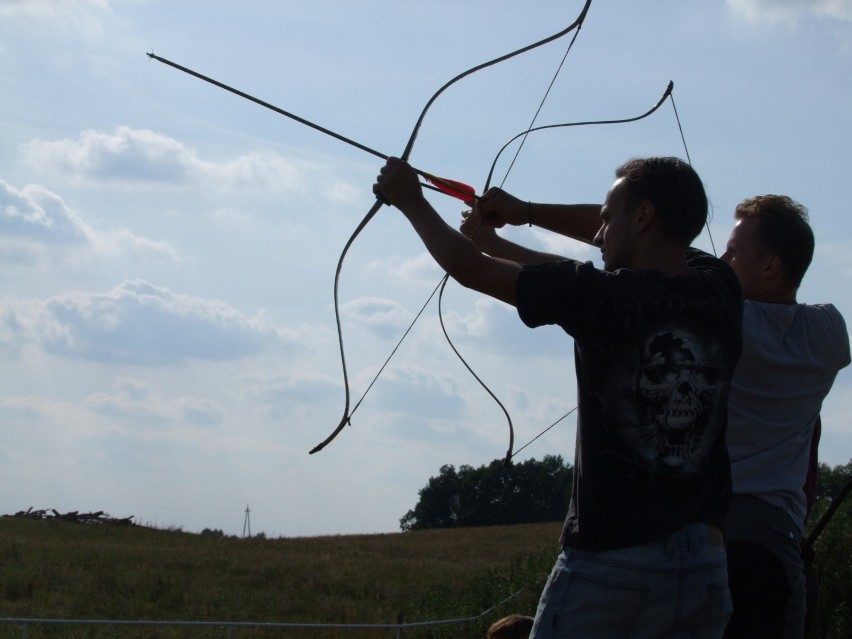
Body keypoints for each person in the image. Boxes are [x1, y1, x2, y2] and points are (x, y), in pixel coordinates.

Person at [374, 155, 743, 638]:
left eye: (608, 218)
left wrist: (411, 201)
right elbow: (577, 279)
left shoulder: (601, 298)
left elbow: (470, 269)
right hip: (706, 567)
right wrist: (519, 218)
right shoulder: (721, 287)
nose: (598, 232)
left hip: (614, 566)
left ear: (645, 216)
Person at [719, 195, 850, 639]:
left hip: (706, 531)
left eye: (733, 252)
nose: (721, 259)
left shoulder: (725, 318)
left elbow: (653, 253)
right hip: (773, 542)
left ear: (771, 267)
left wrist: (526, 214)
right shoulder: (829, 332)